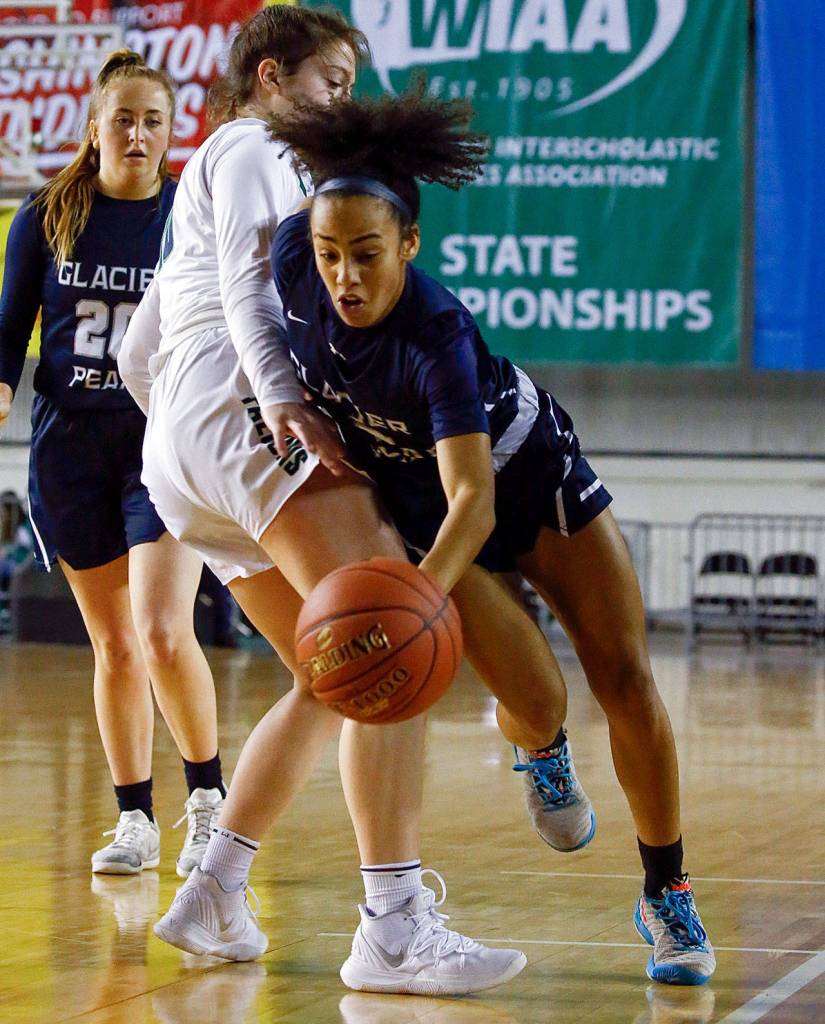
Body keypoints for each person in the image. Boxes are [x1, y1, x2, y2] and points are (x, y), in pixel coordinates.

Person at [264, 87, 717, 987]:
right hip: (421, 501)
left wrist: (415, 597)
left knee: (623, 674)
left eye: (365, 255)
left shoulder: (434, 332)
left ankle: (667, 892)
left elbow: (472, 494)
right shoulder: (290, 260)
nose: (343, 276)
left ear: (409, 247)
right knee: (540, 698)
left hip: (523, 480)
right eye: (328, 255)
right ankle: (540, 749)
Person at [118, 6, 528, 995]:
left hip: (180, 449)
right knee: (399, 642)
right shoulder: (259, 143)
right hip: (244, 420)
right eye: (331, 80)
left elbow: (139, 352)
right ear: (267, 76)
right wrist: (281, 403)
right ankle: (392, 925)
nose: (346, 99)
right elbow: (252, 284)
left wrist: (184, 446)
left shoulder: (201, 173)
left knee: (340, 666)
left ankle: (214, 886)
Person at [0, 51, 226, 877]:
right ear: (94, 129)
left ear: (172, 137)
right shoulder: (47, 216)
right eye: (122, 117)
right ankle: (135, 817)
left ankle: (208, 802)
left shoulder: (187, 220)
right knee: (115, 644)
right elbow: (9, 326)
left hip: (161, 445)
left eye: (153, 120)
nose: (137, 132)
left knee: (164, 631)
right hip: (69, 449)